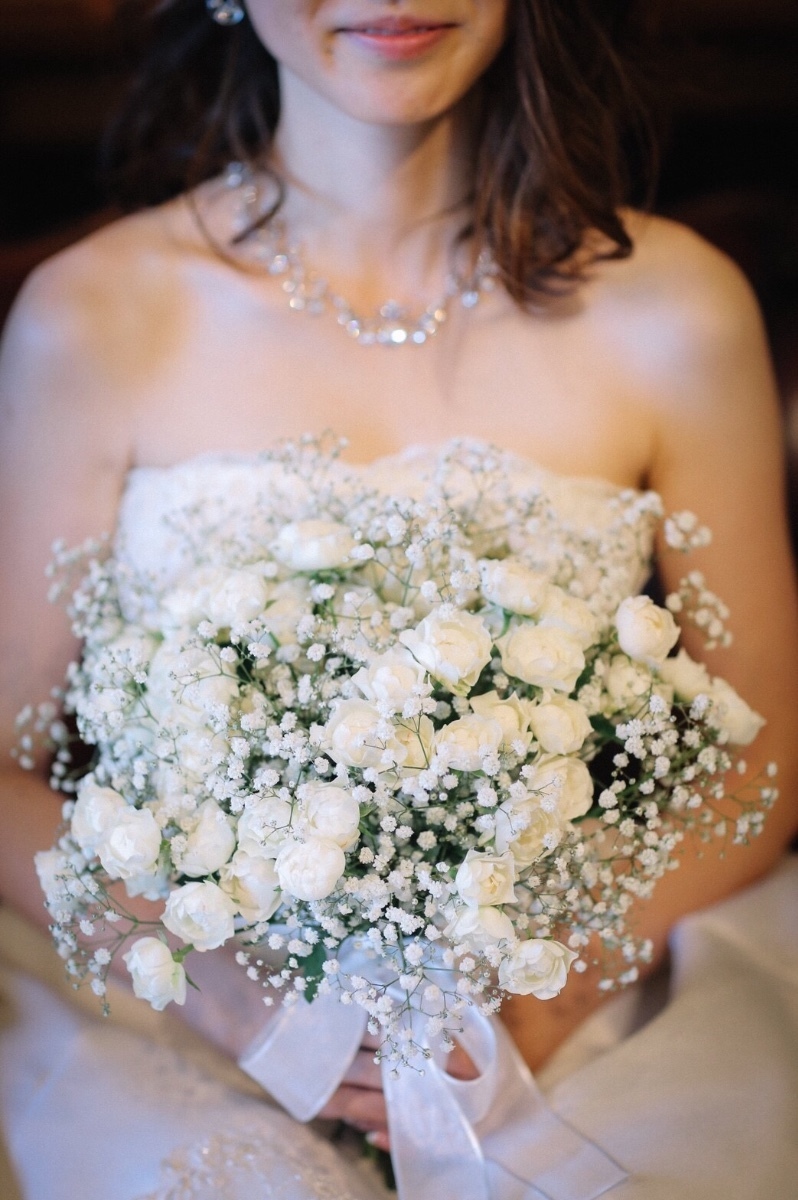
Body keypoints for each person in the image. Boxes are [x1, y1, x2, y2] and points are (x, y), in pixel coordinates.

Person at [0, 1, 797, 1197]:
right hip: (187, 999)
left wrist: (559, 978)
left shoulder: (680, 311)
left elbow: (763, 747)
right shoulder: (95, 317)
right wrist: (222, 988)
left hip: (578, 1000)